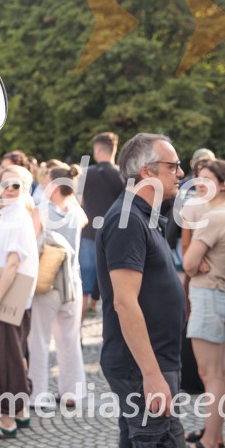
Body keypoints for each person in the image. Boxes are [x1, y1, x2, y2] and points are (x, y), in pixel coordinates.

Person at [97, 133, 192, 448]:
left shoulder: (142, 215)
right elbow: (124, 302)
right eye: (174, 166)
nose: (181, 172)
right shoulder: (127, 219)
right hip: (141, 365)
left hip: (148, 360)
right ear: (148, 172)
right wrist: (152, 375)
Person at [0, 164, 39, 438]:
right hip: (14, 298)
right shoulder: (11, 216)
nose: (9, 189)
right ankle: (20, 412)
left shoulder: (18, 218)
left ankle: (6, 420)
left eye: (16, 185)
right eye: (5, 184)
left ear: (25, 189)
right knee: (14, 355)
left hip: (7, 299)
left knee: (2, 359)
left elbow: (13, 265)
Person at [180, 160, 225, 448]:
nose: (199, 183)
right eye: (198, 178)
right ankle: (213, 433)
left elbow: (188, 263)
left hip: (208, 295)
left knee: (211, 374)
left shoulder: (215, 216)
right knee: (220, 374)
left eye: (206, 179)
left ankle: (210, 443)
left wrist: (195, 260)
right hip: (217, 295)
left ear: (224, 183)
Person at [28, 163, 88, 409]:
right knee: (70, 339)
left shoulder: (41, 210)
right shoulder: (76, 210)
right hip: (73, 281)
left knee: (39, 339)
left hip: (48, 281)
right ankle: (72, 392)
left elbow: (30, 244)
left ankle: (38, 394)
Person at [80, 132, 124, 318]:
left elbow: (79, 202)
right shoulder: (123, 174)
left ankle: (77, 332)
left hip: (89, 234)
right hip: (116, 236)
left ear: (97, 150)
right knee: (116, 288)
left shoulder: (86, 173)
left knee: (83, 287)